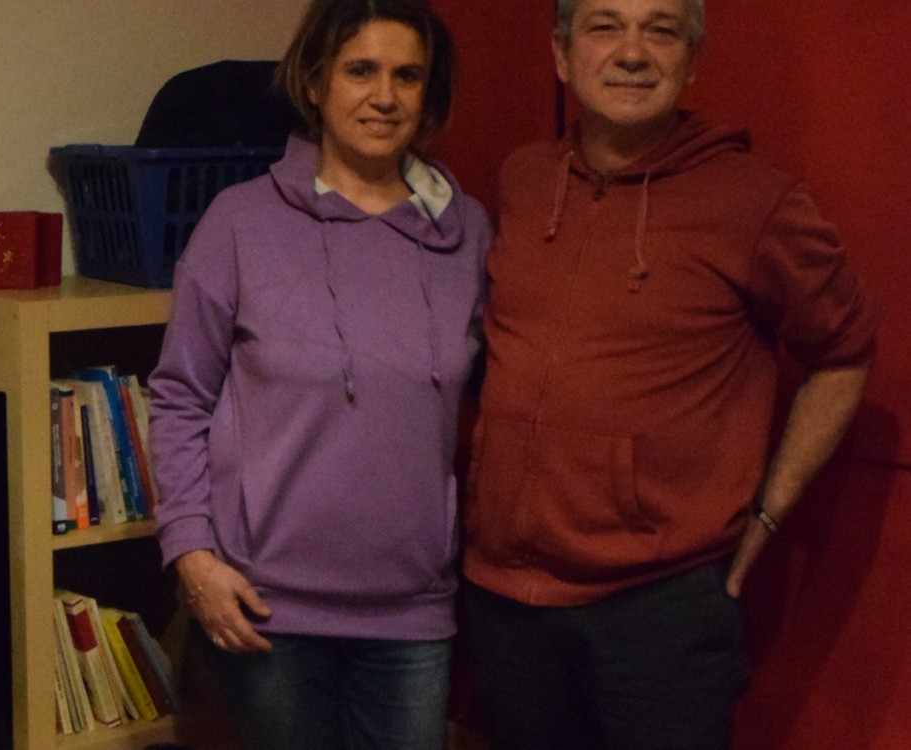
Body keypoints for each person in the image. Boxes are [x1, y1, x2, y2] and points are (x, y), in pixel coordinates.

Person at [460, 1, 880, 748]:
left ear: (691, 62)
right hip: (506, 603)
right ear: (561, 55)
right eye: (604, 26)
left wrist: (767, 514)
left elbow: (845, 351)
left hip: (659, 610)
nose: (632, 52)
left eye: (661, 30)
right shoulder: (523, 180)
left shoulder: (754, 200)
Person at [145, 1, 492, 748]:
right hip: (268, 610)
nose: (384, 96)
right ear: (314, 82)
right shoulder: (240, 223)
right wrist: (192, 555)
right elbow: (178, 397)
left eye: (407, 76)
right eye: (360, 71)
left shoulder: (467, 234)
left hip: (412, 613)